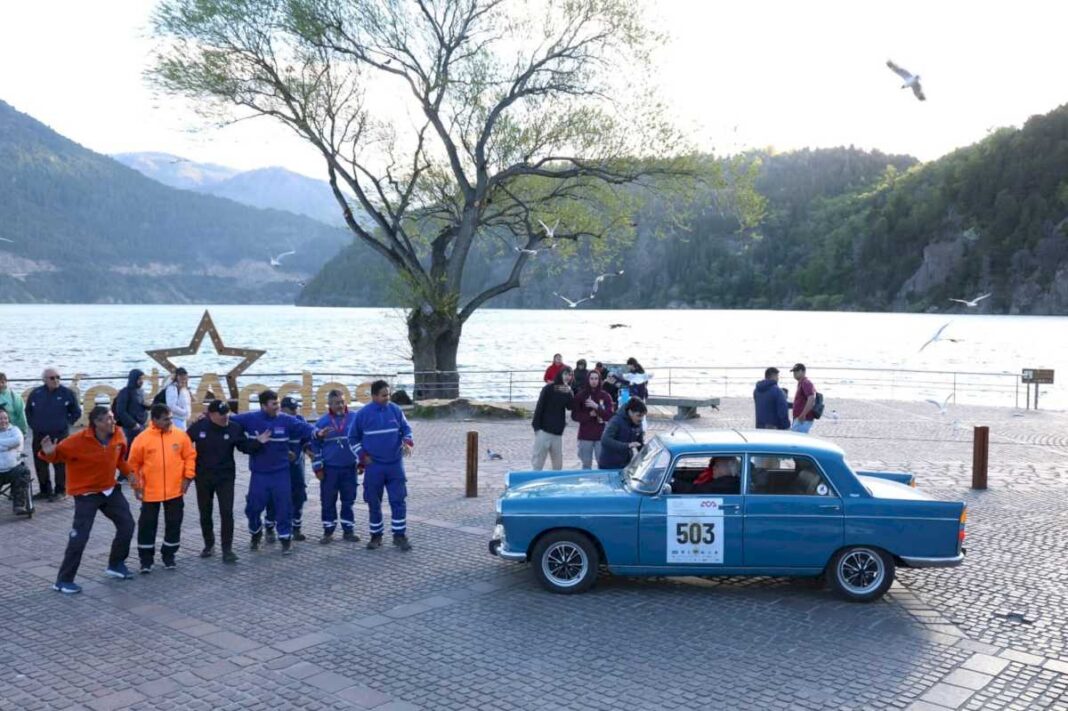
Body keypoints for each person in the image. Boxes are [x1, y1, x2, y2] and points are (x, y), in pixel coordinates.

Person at [39, 406, 136, 594]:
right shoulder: (77, 441)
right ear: (97, 423)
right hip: (86, 494)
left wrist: (130, 473)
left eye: (113, 417)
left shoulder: (118, 435)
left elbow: (119, 460)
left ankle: (116, 564)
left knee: (127, 525)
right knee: (80, 536)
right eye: (108, 418)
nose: (113, 421)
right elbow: (55, 455)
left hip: (109, 490)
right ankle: (63, 580)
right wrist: (49, 452)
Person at [231, 390, 321, 555]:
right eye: (274, 404)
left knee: (284, 507)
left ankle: (285, 540)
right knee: (253, 508)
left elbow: (305, 428)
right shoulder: (250, 419)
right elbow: (225, 420)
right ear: (263, 405)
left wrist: (317, 432)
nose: (277, 407)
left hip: (281, 474)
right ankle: (256, 535)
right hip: (259, 474)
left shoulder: (286, 420)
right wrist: (205, 417)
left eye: (278, 403)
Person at [186, 400, 268, 563]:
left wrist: (258, 442)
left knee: (227, 512)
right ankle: (209, 545)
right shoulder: (200, 426)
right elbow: (183, 443)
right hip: (203, 477)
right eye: (222, 414)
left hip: (225, 477)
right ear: (211, 414)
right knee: (205, 512)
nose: (226, 417)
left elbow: (244, 447)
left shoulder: (234, 428)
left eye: (228, 413)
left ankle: (227, 549)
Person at [128, 404, 197, 573]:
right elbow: (132, 465)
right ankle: (146, 560)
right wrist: (137, 486)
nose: (170, 422)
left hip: (175, 490)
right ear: (155, 420)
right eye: (166, 419)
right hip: (150, 491)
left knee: (174, 523)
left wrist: (188, 477)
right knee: (147, 525)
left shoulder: (181, 436)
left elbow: (190, 457)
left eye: (171, 418)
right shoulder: (142, 439)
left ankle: (169, 555)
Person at [348, 380, 414, 551]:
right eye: (384, 395)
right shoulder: (362, 414)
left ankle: (399, 536)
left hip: (395, 466)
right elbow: (352, 439)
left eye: (388, 394)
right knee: (373, 502)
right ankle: (376, 536)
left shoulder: (396, 410)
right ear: (374, 396)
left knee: (398, 500)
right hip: (374, 467)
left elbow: (407, 430)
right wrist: (362, 456)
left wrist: (407, 443)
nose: (388, 398)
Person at [25, 367, 82, 500]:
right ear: (44, 379)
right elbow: (28, 411)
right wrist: (34, 425)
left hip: (59, 435)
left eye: (58, 377)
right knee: (40, 463)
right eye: (52, 378)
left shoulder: (67, 393)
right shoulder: (36, 393)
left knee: (60, 464)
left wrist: (66, 424)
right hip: (40, 435)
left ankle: (60, 491)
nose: (56, 380)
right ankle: (45, 490)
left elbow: (76, 412)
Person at [312, 390, 360, 544]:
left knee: (348, 500)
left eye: (342, 402)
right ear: (329, 404)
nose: (340, 405)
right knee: (328, 501)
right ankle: (328, 532)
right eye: (336, 403)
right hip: (329, 470)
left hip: (350, 468)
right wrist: (318, 468)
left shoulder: (354, 418)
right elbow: (315, 446)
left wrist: (362, 462)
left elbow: (362, 440)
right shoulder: (322, 422)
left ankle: (348, 531)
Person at [264, 396, 313, 543]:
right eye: (290, 409)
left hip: (296, 467)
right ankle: (269, 528)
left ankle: (296, 527)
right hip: (277, 467)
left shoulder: (299, 420)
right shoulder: (272, 422)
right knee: (273, 497)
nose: (294, 412)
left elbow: (306, 440)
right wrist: (283, 452)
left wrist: (309, 450)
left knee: (299, 495)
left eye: (295, 408)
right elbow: (267, 445)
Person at [530, 366, 574, 471]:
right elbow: (539, 407)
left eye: (570, 374)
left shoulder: (566, 390)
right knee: (537, 463)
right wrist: (536, 428)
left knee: (558, 465)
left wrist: (570, 392)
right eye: (565, 374)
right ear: (560, 374)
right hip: (543, 431)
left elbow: (570, 406)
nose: (567, 377)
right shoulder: (548, 388)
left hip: (557, 434)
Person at [571, 369, 614, 469]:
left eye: (596, 378)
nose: (594, 381)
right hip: (585, 435)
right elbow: (574, 416)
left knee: (602, 464)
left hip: (601, 435)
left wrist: (597, 407)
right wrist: (589, 414)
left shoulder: (605, 396)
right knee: (586, 464)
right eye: (591, 378)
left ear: (599, 380)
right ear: (588, 380)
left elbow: (609, 416)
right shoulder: (581, 395)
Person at [599, 397, 646, 469]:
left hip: (625, 464)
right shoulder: (616, 421)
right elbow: (605, 440)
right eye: (639, 415)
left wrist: (647, 453)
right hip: (609, 464)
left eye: (643, 416)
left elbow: (640, 443)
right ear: (630, 412)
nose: (641, 419)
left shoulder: (638, 423)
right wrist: (627, 445)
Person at [0, 408, 31, 515]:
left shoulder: (15, 430)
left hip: (13, 469)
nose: (3, 421)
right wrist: (8, 446)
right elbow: (12, 443)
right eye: (0, 419)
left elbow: (17, 441)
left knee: (24, 471)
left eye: (5, 418)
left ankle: (19, 505)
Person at [113, 369, 148, 455]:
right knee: (130, 449)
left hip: (141, 424)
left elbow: (139, 405)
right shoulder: (125, 392)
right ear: (133, 379)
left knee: (139, 449)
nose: (141, 381)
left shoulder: (140, 391)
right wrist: (132, 424)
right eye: (139, 379)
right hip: (130, 427)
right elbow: (120, 411)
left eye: (142, 379)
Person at [790, 363, 818, 434]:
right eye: (794, 371)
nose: (794, 373)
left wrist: (803, 414)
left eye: (797, 371)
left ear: (803, 371)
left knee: (796, 439)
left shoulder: (806, 383)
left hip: (803, 419)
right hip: (800, 418)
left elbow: (811, 398)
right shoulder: (801, 383)